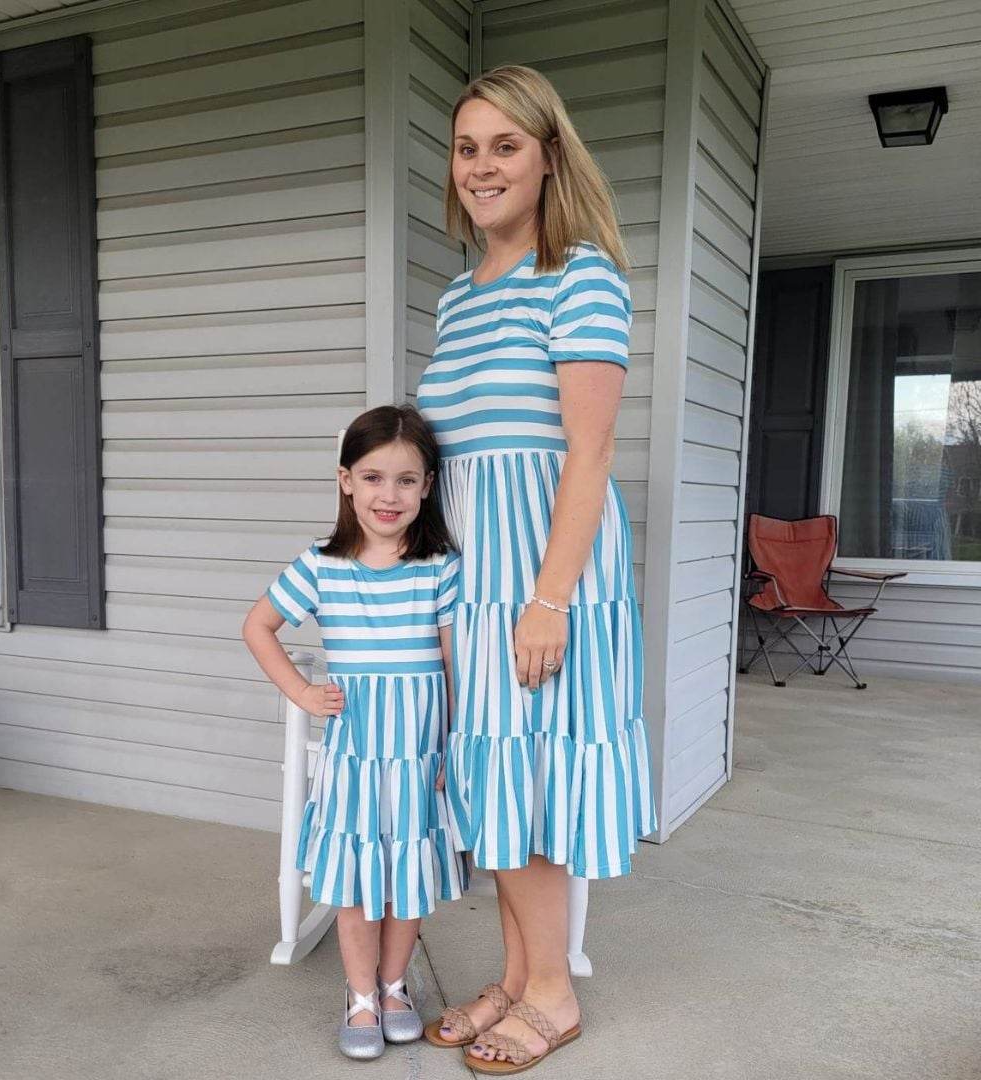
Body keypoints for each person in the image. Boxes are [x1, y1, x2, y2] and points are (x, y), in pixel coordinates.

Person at [417, 65, 657, 1072]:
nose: (482, 167)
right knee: (495, 779)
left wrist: (548, 599)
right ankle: (516, 979)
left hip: (544, 575)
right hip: (470, 576)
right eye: (467, 147)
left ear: (549, 156)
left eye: (505, 146)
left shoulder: (581, 276)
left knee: (532, 780)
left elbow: (588, 456)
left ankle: (552, 994)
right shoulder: (454, 298)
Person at [241, 405, 468, 1061]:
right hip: (356, 752)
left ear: (427, 486)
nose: (387, 495)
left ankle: (395, 987)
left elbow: (452, 662)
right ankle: (361, 994)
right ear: (346, 481)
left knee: (407, 872)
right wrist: (302, 692)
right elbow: (258, 626)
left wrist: (453, 743)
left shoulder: (439, 566)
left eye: (405, 480)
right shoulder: (322, 565)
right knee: (356, 876)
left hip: (419, 751)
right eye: (372, 477)